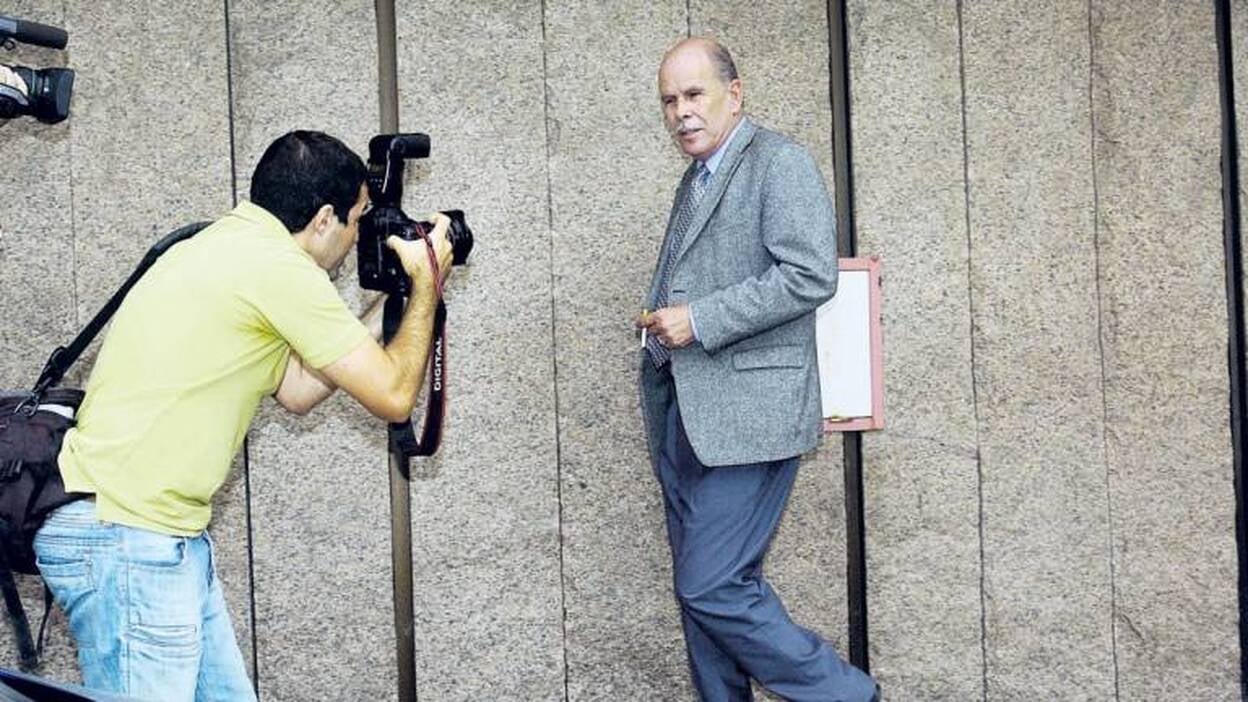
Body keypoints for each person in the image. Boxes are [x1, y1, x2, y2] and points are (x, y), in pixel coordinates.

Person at [32, 130, 452, 700]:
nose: (357, 237)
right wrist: (426, 282)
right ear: (323, 220)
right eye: (356, 220)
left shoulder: (224, 245)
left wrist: (389, 304)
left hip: (158, 535)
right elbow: (395, 396)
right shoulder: (281, 270)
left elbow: (298, 390)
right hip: (129, 540)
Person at [636, 38, 879, 701]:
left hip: (751, 420)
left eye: (694, 94)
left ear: (734, 94)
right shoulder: (696, 178)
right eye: (669, 101)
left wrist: (699, 319)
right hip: (687, 414)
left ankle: (848, 696)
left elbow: (810, 274)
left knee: (710, 585)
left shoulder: (779, 162)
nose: (681, 112)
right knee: (702, 594)